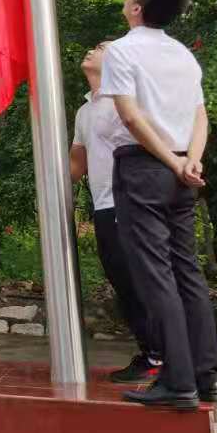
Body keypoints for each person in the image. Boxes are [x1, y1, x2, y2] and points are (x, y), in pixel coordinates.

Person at [99, 0, 217, 411]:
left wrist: (170, 162)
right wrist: (190, 160)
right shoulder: (184, 55)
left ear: (137, 9)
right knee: (187, 269)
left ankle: (177, 380)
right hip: (181, 168)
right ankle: (206, 376)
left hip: (144, 168)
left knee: (156, 274)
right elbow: (200, 116)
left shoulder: (122, 51)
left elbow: (131, 118)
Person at [72, 41, 163, 384]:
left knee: (142, 282)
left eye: (100, 47)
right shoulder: (85, 111)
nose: (91, 50)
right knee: (123, 283)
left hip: (133, 204)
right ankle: (153, 353)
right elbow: (76, 163)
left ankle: (163, 355)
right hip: (104, 207)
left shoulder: (128, 98)